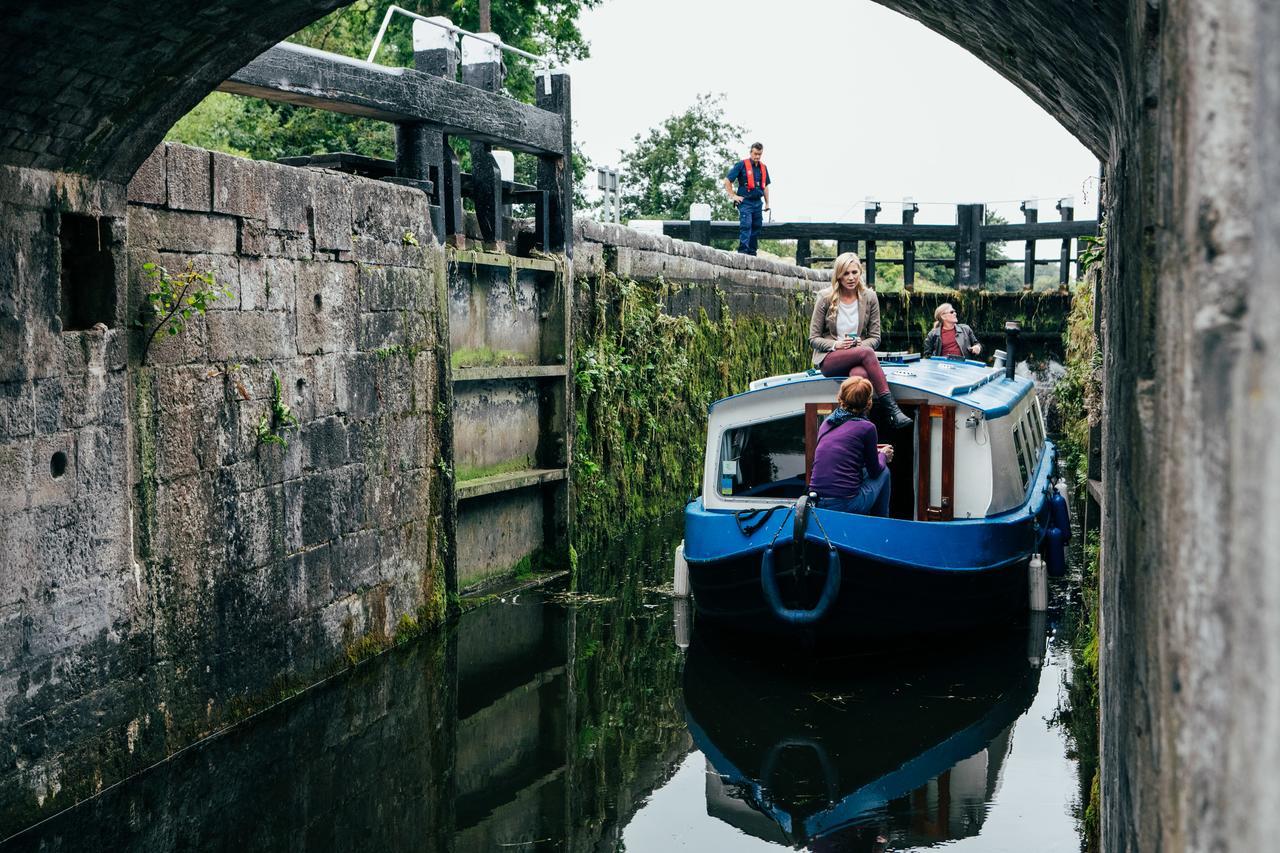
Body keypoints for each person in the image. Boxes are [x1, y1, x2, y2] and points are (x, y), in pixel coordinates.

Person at [808, 252, 912, 429]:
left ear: (860, 273)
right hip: (831, 359)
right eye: (846, 273)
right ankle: (892, 410)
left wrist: (859, 345)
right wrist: (836, 344)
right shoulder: (825, 297)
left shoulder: (869, 297)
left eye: (854, 272)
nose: (851, 278)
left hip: (858, 357)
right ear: (838, 275)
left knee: (861, 376)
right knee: (867, 352)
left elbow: (875, 337)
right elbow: (813, 338)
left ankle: (858, 425)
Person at [808, 376, 893, 516]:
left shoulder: (827, 423)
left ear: (840, 398)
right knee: (884, 472)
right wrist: (883, 455)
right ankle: (882, 524)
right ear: (869, 403)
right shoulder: (867, 428)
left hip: (817, 501)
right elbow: (875, 471)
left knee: (862, 471)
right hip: (846, 504)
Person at [723, 142, 770, 255]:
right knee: (746, 225)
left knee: (757, 226)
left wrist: (767, 203)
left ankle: (752, 253)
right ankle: (743, 252)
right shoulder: (741, 165)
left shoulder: (763, 168)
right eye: (755, 154)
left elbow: (765, 186)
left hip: (758, 202)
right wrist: (733, 196)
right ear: (751, 152)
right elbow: (727, 181)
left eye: (760, 154)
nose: (757, 156)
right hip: (745, 202)